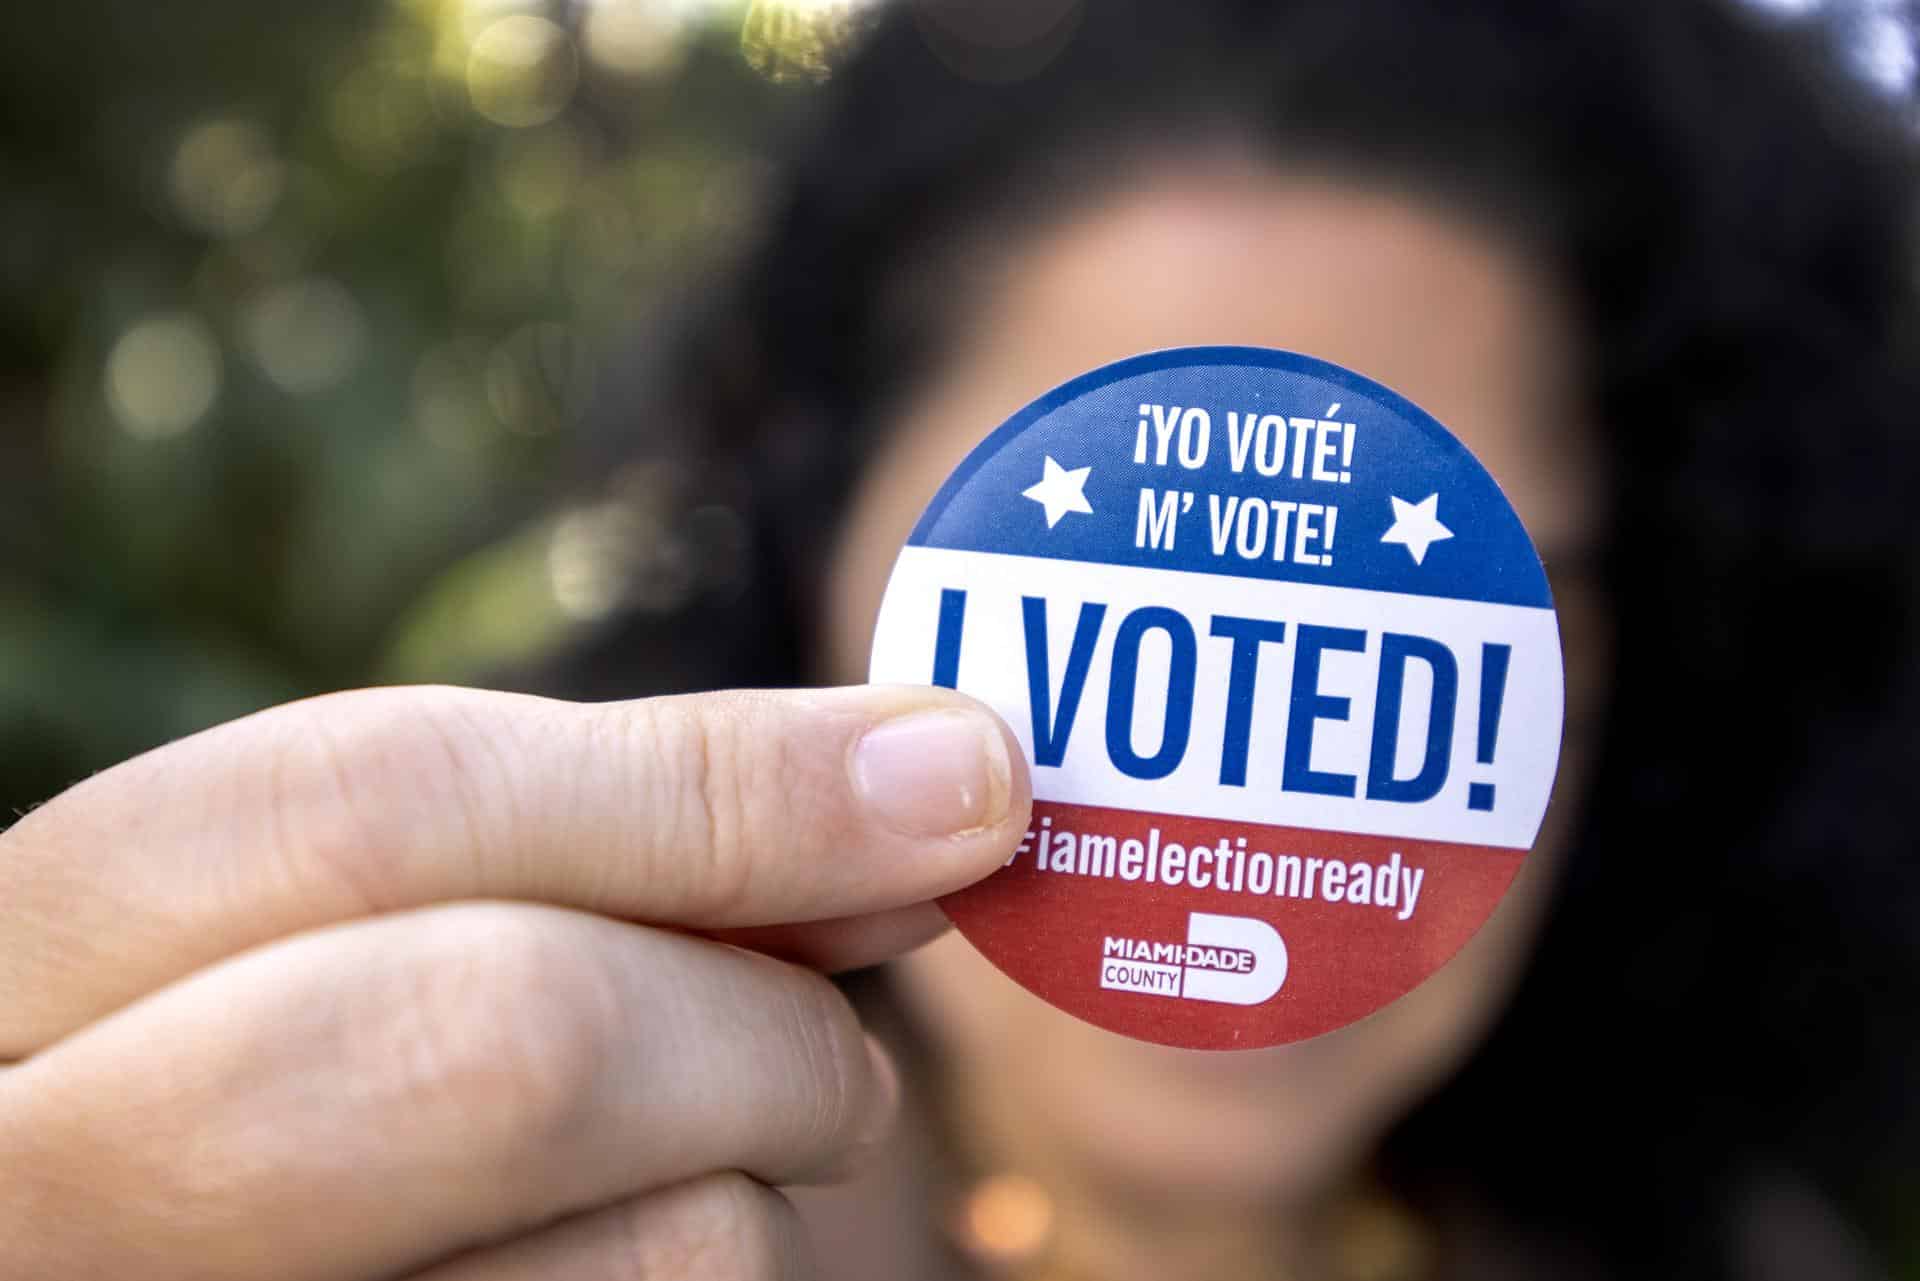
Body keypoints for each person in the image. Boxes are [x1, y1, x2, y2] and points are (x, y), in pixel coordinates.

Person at [1, 1, 1915, 1278]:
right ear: (817, 541)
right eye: (1102, 581)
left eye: (1466, 608)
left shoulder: (1733, 1248)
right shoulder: (503, 1216)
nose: (1242, 765)